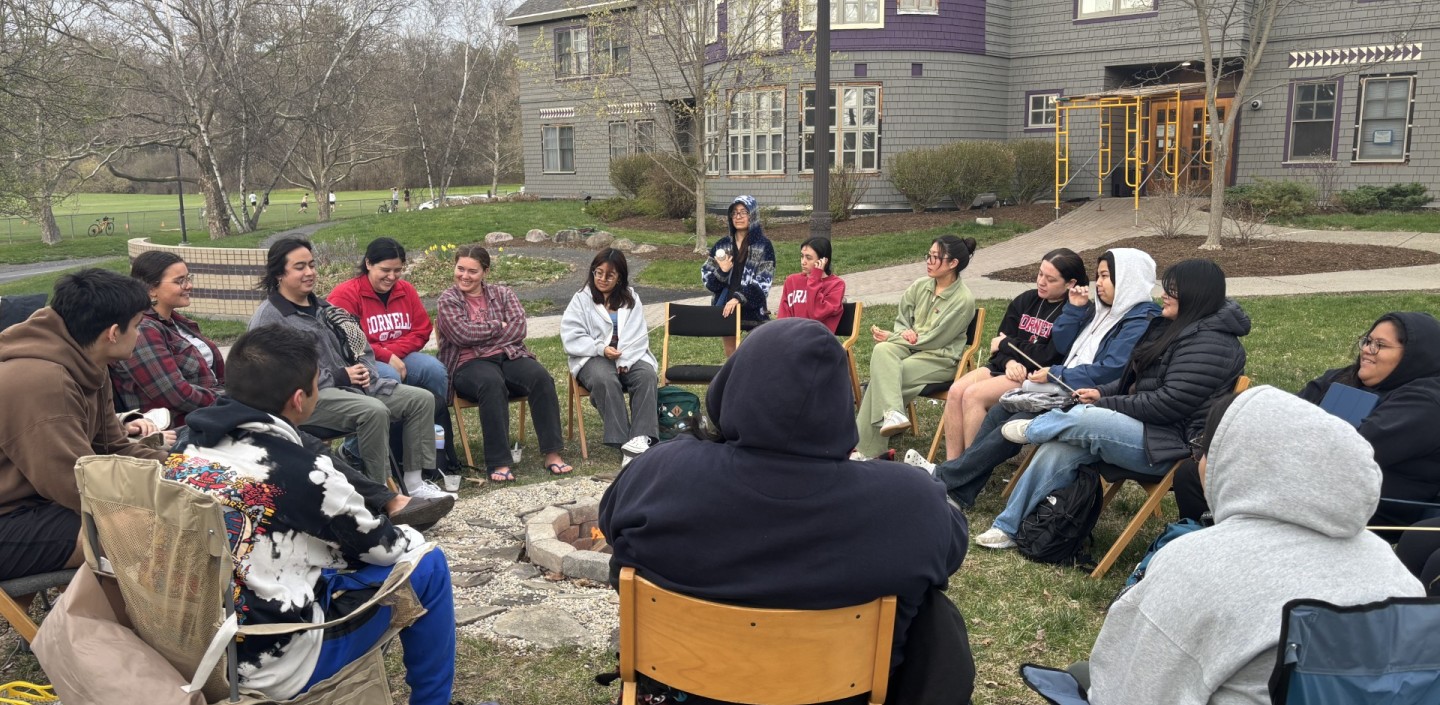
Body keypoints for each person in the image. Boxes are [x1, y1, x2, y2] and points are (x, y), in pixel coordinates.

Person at [600, 318, 972, 704]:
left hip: (686, 689)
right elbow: (952, 546)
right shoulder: (908, 503)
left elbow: (610, 525)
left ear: (733, 385)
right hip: (835, 695)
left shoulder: (659, 472)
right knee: (933, 610)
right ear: (840, 404)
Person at [170, 324, 455, 704]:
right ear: (300, 399)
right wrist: (409, 537)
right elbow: (385, 549)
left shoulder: (189, 448)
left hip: (193, 644)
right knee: (428, 563)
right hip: (271, 661)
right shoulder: (306, 471)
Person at [1084, 387, 1424, 704]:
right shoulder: (1396, 573)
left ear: (1238, 459)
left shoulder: (1198, 563)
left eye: (1203, 447)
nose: (1199, 461)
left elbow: (1126, 691)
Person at [976, 259, 1248, 550]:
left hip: (1168, 444)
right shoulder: (1177, 328)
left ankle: (1035, 429)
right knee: (1061, 445)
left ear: (1195, 294)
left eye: (1172, 289)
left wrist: (1107, 404)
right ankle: (1008, 526)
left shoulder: (1212, 344)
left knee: (1086, 417)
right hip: (1145, 429)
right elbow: (1134, 384)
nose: (1164, 294)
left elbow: (1168, 404)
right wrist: (1101, 394)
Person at [931, 248, 1159, 507]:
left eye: (1106, 276)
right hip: (1060, 387)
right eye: (1099, 275)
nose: (1099, 283)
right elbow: (1064, 342)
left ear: (1128, 279)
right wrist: (1073, 311)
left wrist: (1055, 372)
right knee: (1000, 412)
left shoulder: (1139, 320)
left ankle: (945, 478)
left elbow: (1110, 369)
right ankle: (959, 490)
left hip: (1086, 396)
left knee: (1011, 422)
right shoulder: (1102, 310)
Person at [0, 269, 169, 582]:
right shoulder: (43, 382)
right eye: (138, 325)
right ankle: (130, 628)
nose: (141, 335)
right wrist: (168, 496)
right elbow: (75, 483)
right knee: (141, 533)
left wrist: (184, 469)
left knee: (159, 517)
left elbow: (110, 448)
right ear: (113, 333)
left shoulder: (90, 362)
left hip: (36, 504)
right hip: (10, 520)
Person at [249, 238, 451, 500]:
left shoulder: (325, 309)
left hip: (351, 387)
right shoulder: (269, 318)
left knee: (420, 400)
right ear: (279, 273)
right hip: (306, 399)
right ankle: (379, 494)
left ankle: (414, 483)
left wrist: (366, 369)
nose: (309, 272)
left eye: (311, 265)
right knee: (373, 411)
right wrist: (340, 375)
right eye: (299, 267)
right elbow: (275, 375)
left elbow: (361, 345)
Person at [436, 244, 572, 482]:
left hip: (508, 355)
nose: (464, 276)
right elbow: (461, 335)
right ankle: (499, 461)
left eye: (472, 271)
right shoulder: (448, 299)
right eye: (460, 269)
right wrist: (497, 326)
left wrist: (481, 334)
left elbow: (519, 329)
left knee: (540, 377)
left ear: (485, 272)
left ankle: (552, 453)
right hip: (468, 364)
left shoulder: (504, 293)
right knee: (491, 382)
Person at [328, 237, 461, 474]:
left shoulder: (405, 290)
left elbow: (422, 329)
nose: (392, 276)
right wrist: (384, 355)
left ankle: (432, 451)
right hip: (360, 360)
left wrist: (392, 353)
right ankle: (360, 450)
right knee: (388, 375)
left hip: (401, 355)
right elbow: (346, 340)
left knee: (434, 370)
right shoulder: (345, 294)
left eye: (398, 270)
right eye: (385, 270)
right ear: (368, 263)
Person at [940, 248, 1086, 460]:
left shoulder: (1072, 312)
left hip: (1033, 377)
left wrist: (1008, 344)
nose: (1041, 282)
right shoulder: (1025, 300)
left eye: (1050, 279)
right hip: (1006, 367)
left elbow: (1047, 356)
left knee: (973, 395)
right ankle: (951, 463)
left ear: (1070, 283)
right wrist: (1008, 360)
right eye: (1040, 274)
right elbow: (996, 348)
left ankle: (969, 467)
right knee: (955, 391)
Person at [853, 235, 977, 460]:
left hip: (939, 358)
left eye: (935, 257)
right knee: (882, 351)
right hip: (910, 349)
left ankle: (866, 450)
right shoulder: (920, 286)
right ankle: (892, 414)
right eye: (928, 256)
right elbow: (902, 320)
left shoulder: (963, 300)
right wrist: (902, 333)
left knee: (885, 379)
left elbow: (935, 340)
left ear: (953, 263)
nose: (929, 261)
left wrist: (893, 336)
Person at [560, 248, 659, 453]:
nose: (602, 279)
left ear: (620, 278)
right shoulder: (581, 299)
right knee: (605, 378)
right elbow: (572, 336)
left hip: (628, 356)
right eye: (598, 273)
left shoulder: (631, 298)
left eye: (610, 275)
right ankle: (623, 442)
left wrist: (625, 360)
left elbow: (637, 335)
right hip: (591, 356)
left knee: (647, 375)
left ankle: (641, 439)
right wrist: (601, 349)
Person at [110, 251, 225, 427]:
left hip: (210, 415)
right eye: (180, 281)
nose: (189, 286)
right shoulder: (143, 331)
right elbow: (175, 393)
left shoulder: (177, 322)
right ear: (151, 289)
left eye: (188, 278)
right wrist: (227, 400)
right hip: (182, 429)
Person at [701, 195, 776, 356]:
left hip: (752, 309)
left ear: (753, 215)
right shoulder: (722, 245)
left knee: (753, 356)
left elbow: (763, 284)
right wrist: (722, 271)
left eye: (743, 212)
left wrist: (739, 298)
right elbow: (708, 281)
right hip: (726, 308)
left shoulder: (763, 246)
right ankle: (733, 381)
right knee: (731, 356)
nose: (738, 216)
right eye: (734, 213)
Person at [776, 236, 846, 333]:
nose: (803, 262)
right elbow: (782, 317)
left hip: (819, 341)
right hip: (792, 338)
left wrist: (815, 278)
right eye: (802, 256)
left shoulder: (836, 285)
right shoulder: (792, 281)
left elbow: (816, 314)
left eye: (808, 258)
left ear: (823, 261)